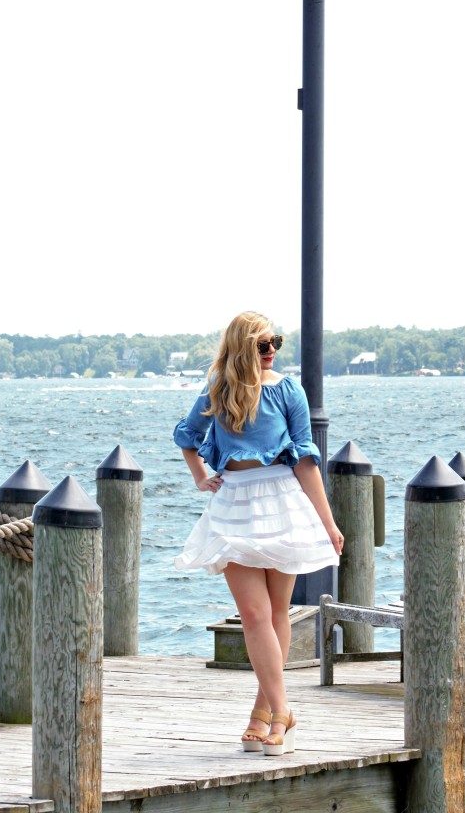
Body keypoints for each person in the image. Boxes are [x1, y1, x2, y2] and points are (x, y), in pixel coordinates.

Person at [173, 310, 343, 756]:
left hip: (282, 500)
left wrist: (328, 523)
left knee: (276, 613)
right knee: (253, 613)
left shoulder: (289, 390)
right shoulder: (219, 388)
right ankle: (283, 711)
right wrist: (198, 476)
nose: (271, 352)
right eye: (262, 345)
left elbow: (306, 459)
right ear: (241, 348)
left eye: (275, 343)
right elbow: (187, 434)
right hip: (234, 502)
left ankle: (264, 710)